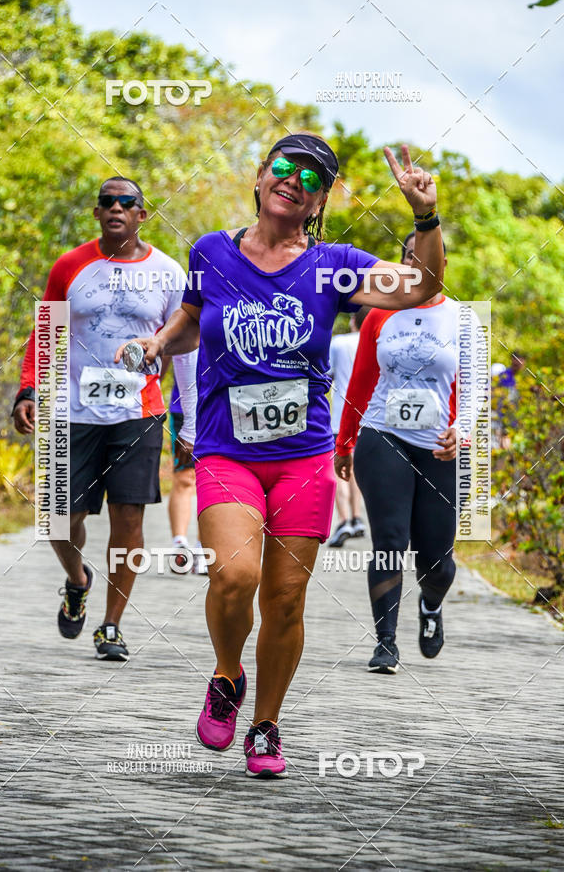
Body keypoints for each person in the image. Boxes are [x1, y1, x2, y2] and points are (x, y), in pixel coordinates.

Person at [116, 135, 445, 776]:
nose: (295, 180)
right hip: (225, 448)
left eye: (313, 178)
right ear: (262, 175)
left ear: (319, 200)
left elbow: (420, 286)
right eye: (286, 167)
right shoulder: (211, 251)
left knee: (286, 598)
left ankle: (265, 726)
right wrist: (159, 343)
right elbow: (192, 320)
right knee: (233, 576)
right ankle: (226, 673)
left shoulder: (333, 266)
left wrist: (425, 216)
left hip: (301, 456)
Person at [13, 177, 197, 660]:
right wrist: (28, 389)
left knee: (128, 518)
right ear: (97, 213)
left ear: (143, 214)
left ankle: (111, 624)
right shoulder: (71, 266)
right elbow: (45, 331)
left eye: (127, 202)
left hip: (139, 410)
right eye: (107, 202)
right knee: (58, 519)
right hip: (73, 411)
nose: (116, 208)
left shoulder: (168, 271)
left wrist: (191, 422)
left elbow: (184, 350)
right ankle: (77, 580)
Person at [335, 231, 460, 673]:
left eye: (426, 254)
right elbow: (362, 382)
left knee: (436, 560)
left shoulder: (463, 319)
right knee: (389, 539)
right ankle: (385, 641)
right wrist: (345, 441)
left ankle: (431, 603)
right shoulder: (379, 315)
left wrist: (461, 431)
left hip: (439, 447)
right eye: (408, 256)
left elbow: (478, 391)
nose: (417, 262)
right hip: (382, 433)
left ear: (442, 261)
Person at [328, 308, 368, 547]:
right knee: (356, 471)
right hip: (367, 417)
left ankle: (343, 520)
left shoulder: (339, 343)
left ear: (353, 321)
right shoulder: (375, 340)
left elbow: (327, 375)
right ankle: (357, 516)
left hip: (340, 417)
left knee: (339, 469)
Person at [163, 368, 207, 575]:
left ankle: (203, 548)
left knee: (213, 479)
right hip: (184, 407)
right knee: (185, 478)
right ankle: (179, 544)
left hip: (218, 405)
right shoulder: (184, 333)